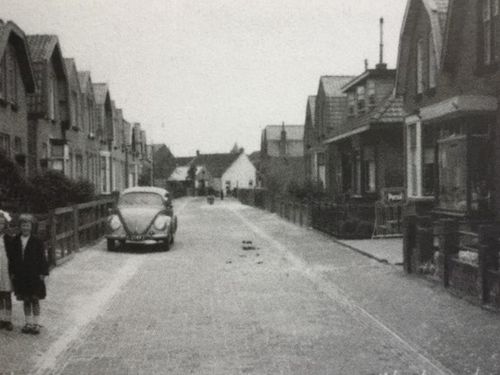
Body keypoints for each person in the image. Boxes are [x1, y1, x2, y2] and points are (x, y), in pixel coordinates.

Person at [10, 214, 49, 335]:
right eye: (23, 225)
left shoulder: (37, 241)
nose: (25, 227)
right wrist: (12, 272)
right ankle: (28, 323)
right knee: (26, 299)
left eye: (27, 225)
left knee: (35, 298)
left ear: (31, 227)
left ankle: (36, 323)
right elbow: (12, 258)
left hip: (34, 274)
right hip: (22, 275)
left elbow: (43, 258)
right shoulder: (15, 240)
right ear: (20, 226)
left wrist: (43, 272)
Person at [0, 210, 13, 331]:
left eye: (1, 223)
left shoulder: (8, 239)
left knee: (7, 295)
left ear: (5, 225)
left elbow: (13, 256)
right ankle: (1, 319)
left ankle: (8, 320)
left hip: (6, 269)